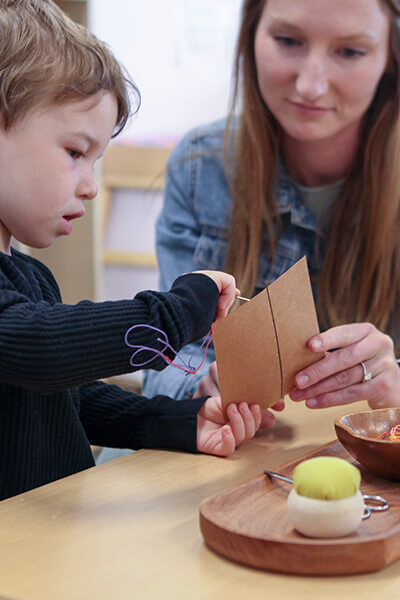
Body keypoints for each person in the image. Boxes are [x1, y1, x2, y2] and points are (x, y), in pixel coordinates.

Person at [0, 0, 265, 501]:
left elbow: (67, 399)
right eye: (76, 153)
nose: (90, 187)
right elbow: (42, 349)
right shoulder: (25, 322)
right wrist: (181, 309)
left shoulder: (32, 280)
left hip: (48, 550)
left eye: (95, 161)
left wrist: (177, 423)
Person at [143, 0, 400, 415]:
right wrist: (200, 388)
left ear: (391, 56)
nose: (310, 86)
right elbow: (163, 356)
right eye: (288, 40)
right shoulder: (200, 168)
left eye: (350, 51)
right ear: (251, 35)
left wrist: (394, 383)